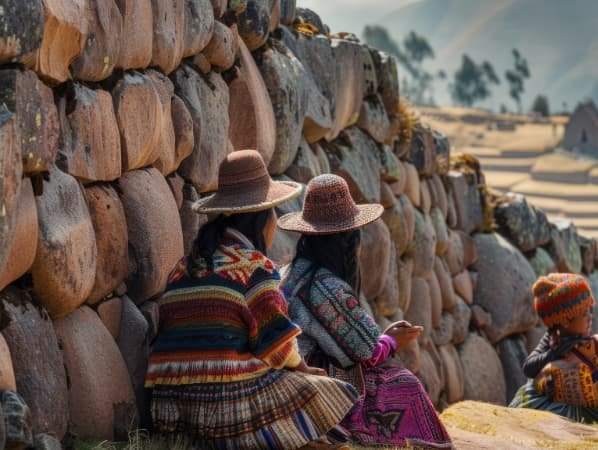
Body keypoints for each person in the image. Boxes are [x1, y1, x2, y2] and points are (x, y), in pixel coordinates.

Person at [145, 151, 358, 450]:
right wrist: (304, 371)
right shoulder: (253, 267)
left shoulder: (184, 267)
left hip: (169, 410)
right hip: (223, 408)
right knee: (329, 391)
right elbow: (277, 344)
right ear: (262, 220)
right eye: (272, 213)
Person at [279, 174, 453, 449]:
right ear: (349, 241)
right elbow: (367, 352)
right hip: (313, 388)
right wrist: (393, 340)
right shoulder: (328, 287)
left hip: (286, 381)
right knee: (402, 383)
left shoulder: (289, 274)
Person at [509, 273, 598, 427]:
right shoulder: (552, 339)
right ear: (565, 321)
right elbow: (528, 368)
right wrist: (555, 352)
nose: (590, 317)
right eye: (584, 313)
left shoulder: (587, 341)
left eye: (590, 310)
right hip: (556, 403)